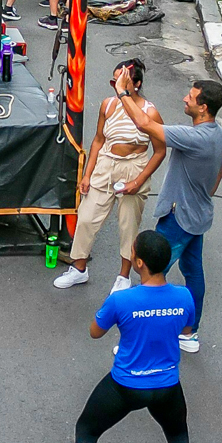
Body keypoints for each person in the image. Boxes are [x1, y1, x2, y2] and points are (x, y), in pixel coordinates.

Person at [72, 229, 209, 443]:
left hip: (125, 386)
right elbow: (186, 326)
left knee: (87, 431)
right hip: (167, 387)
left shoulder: (121, 300)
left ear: (139, 263)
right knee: (177, 438)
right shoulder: (184, 296)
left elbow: (95, 332)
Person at [118, 78, 222, 354]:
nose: (184, 99)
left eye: (190, 97)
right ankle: (189, 332)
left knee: (151, 275)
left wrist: (122, 93)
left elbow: (145, 125)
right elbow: (219, 175)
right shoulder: (220, 136)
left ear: (203, 108)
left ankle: (137, 342)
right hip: (199, 216)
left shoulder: (194, 137)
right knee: (194, 273)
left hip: (178, 219)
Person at [56, 59, 161, 291]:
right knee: (86, 218)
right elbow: (98, 140)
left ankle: (124, 277)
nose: (116, 85)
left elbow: (160, 151)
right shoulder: (108, 105)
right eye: (114, 81)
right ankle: (79, 268)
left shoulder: (149, 112)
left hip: (133, 166)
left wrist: (138, 180)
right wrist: (87, 175)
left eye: (122, 81)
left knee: (128, 225)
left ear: (137, 84)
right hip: (106, 164)